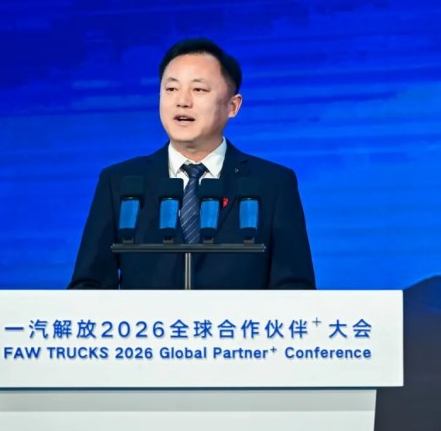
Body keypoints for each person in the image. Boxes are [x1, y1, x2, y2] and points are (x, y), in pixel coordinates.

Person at [68, 38, 315, 290]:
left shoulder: (272, 183)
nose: (182, 101)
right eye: (171, 89)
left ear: (233, 106)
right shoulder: (121, 182)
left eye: (198, 89)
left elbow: (295, 288)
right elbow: (89, 285)